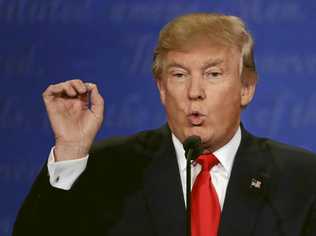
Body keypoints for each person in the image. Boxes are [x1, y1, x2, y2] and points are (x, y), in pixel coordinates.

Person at [13, 13, 316, 236]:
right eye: (179, 75)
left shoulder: (302, 178)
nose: (194, 92)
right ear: (161, 88)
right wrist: (70, 151)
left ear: (246, 88)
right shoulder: (110, 170)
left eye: (213, 74)